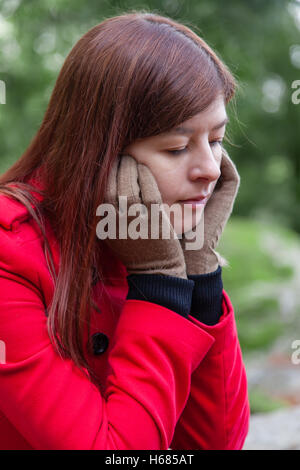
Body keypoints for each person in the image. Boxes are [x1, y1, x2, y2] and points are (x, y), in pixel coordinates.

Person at [0, 11, 250, 450]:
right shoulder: (10, 258)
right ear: (102, 154)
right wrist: (157, 283)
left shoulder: (152, 238)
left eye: (216, 140)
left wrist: (199, 270)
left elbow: (216, 442)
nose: (210, 171)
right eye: (176, 147)